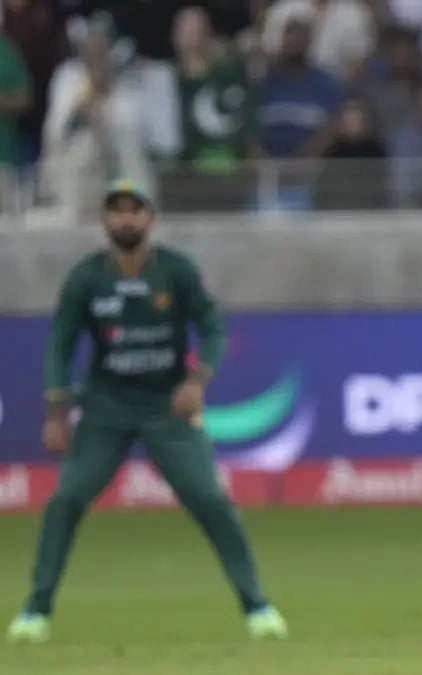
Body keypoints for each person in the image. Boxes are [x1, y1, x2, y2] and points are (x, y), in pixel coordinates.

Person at [6, 179, 288, 644]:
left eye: (134, 210)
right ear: (104, 220)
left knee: (211, 500)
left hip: (166, 407)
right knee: (65, 500)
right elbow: (59, 342)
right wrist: (56, 409)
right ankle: (36, 611)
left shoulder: (175, 271)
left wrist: (197, 381)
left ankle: (257, 606)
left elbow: (213, 330)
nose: (125, 219)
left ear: (150, 218)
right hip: (105, 408)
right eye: (116, 210)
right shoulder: (86, 278)